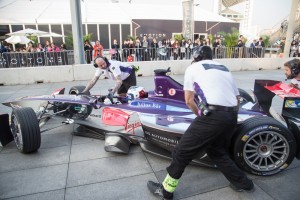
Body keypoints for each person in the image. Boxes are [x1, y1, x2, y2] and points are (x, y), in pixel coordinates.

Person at [147, 46, 254, 200]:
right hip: (231, 116)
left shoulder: (193, 68)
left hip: (212, 116)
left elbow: (189, 100)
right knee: (217, 151)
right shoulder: (223, 67)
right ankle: (244, 184)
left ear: (196, 56)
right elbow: (237, 98)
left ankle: (166, 190)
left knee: (181, 152)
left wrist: (200, 115)